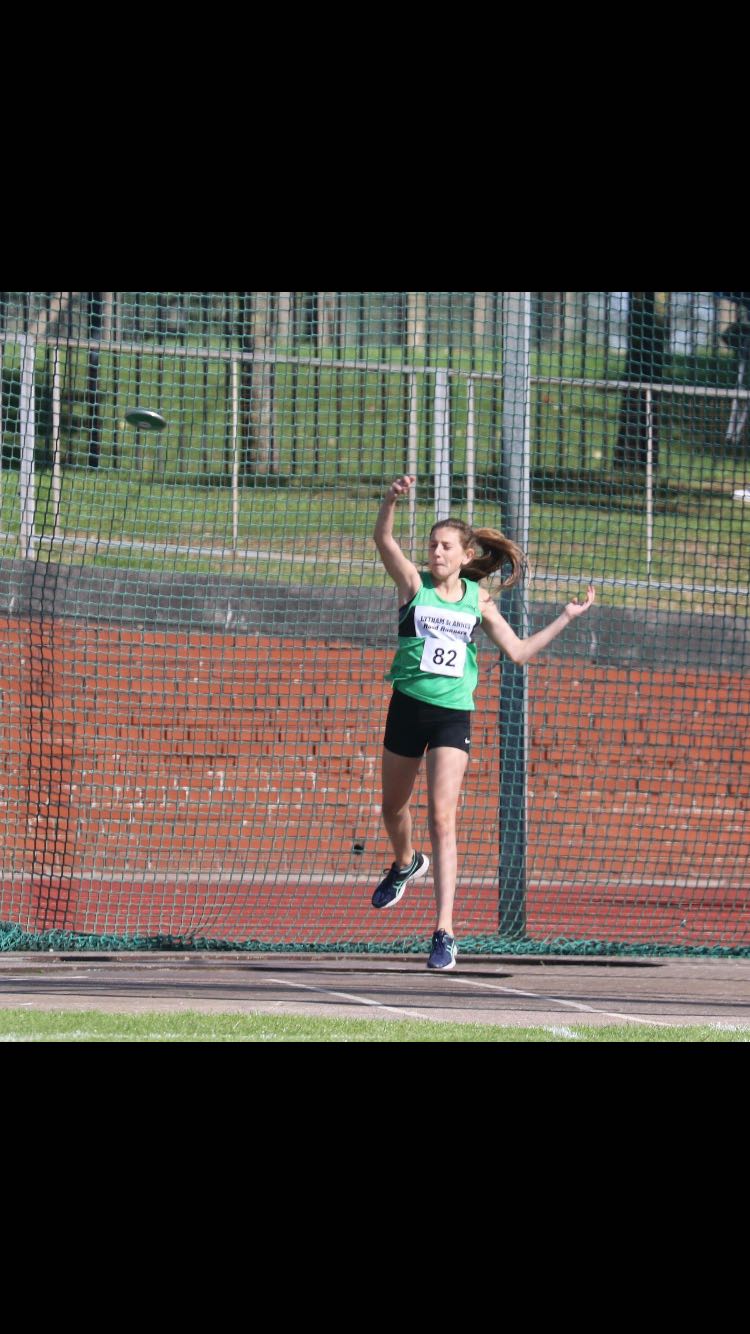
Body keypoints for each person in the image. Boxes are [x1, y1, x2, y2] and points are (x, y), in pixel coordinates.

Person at [372, 474, 595, 972]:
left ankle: (444, 931)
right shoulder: (414, 586)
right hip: (407, 707)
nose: (436, 552)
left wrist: (565, 617)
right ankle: (406, 862)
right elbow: (384, 540)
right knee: (393, 808)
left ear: (466, 555)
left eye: (445, 546)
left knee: (442, 818)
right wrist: (389, 501)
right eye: (432, 545)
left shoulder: (478, 599)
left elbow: (518, 652)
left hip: (452, 716)